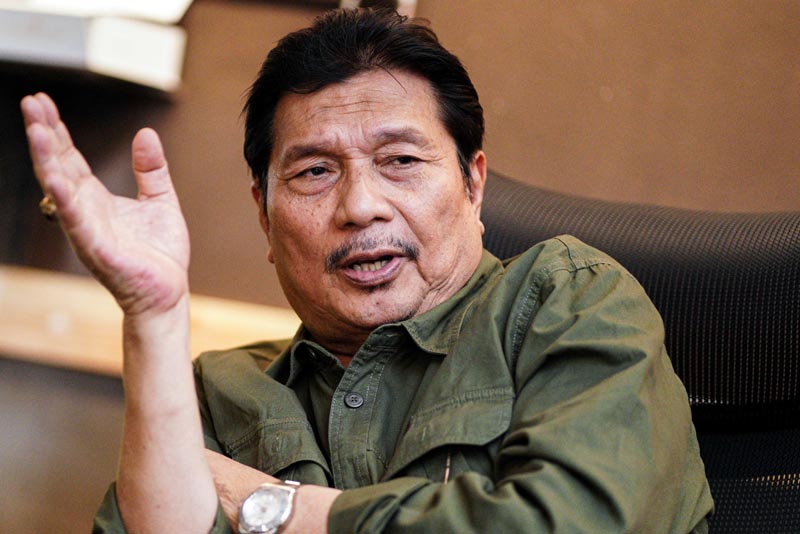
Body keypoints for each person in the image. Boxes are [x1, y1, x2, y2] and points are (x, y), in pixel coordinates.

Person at [21, 8, 713, 533]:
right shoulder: (216, 394)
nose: (359, 206)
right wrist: (153, 316)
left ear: (473, 185)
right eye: (315, 172)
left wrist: (273, 507)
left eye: (401, 161)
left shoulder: (567, 301)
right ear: (264, 215)